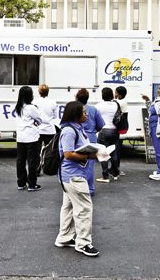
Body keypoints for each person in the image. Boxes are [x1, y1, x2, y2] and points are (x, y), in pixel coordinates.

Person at [54, 101, 99, 257]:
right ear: (76, 114)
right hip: (73, 176)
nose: (87, 114)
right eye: (84, 112)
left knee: (69, 207)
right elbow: (67, 154)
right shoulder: (69, 131)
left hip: (72, 175)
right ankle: (83, 243)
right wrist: (89, 155)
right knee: (84, 208)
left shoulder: (77, 129)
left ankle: (64, 238)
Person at [75, 88, 105, 195]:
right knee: (90, 165)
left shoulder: (75, 109)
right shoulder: (93, 109)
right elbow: (101, 124)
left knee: (77, 163)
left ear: (76, 98)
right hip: (91, 138)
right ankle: (89, 188)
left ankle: (78, 187)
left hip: (78, 137)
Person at [15, 86, 42, 191]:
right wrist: (35, 122)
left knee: (20, 160)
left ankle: (21, 183)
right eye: (32, 94)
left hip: (20, 137)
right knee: (32, 161)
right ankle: (32, 184)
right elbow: (40, 119)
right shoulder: (31, 107)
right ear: (28, 96)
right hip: (31, 137)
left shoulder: (18, 107)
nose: (33, 96)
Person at [95, 87, 120, 183]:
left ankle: (105, 176)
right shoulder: (115, 104)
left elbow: (96, 118)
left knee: (103, 153)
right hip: (114, 130)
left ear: (103, 95)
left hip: (104, 130)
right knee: (113, 153)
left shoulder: (99, 105)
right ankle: (115, 173)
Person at [33, 84, 58, 151]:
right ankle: (47, 161)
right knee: (49, 150)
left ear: (39, 92)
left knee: (37, 150)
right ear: (48, 92)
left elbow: (33, 115)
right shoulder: (53, 102)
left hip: (38, 129)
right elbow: (55, 116)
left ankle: (38, 161)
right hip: (50, 129)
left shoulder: (35, 102)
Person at [114, 86, 128, 176]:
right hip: (120, 127)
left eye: (115, 93)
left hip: (116, 127)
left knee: (115, 149)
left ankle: (116, 169)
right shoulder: (123, 101)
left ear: (119, 94)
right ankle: (117, 168)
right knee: (116, 148)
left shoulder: (118, 103)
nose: (114, 94)